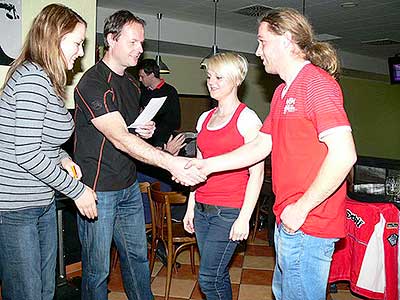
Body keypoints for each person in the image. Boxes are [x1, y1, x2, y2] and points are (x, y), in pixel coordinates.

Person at [186, 8, 357, 300]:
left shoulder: (316, 84)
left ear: (287, 41)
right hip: (289, 219)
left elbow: (344, 155)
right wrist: (201, 166)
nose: (257, 51)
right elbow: (259, 147)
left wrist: (301, 208)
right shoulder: (282, 93)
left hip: (309, 221)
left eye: (262, 41)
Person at [73, 10, 204, 300]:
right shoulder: (92, 82)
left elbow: (128, 131)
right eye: (133, 42)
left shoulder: (132, 84)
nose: (140, 50)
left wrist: (143, 130)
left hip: (129, 186)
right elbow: (119, 138)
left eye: (142, 43)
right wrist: (170, 161)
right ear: (111, 39)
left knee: (137, 261)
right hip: (99, 190)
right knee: (97, 271)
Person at [0, 4, 97, 300]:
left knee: (43, 292)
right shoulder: (32, 78)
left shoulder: (47, 80)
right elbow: (27, 154)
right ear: (54, 38)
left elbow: (44, 144)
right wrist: (77, 191)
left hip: (39, 203)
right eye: (77, 43)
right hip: (17, 209)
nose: (80, 52)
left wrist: (64, 158)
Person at [183, 52, 264, 299]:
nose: (212, 82)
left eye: (219, 77)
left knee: (208, 279)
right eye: (209, 76)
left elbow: (257, 173)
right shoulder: (204, 118)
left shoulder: (248, 119)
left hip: (229, 211)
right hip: (203, 210)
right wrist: (190, 207)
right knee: (217, 275)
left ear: (237, 80)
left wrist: (244, 218)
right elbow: (199, 164)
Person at [136, 58, 185, 223]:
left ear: (151, 74)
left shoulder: (170, 92)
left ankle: (165, 219)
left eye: (142, 76)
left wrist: (163, 147)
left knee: (169, 182)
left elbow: (174, 121)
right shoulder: (142, 93)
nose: (140, 80)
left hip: (163, 141)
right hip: (145, 145)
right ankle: (162, 221)